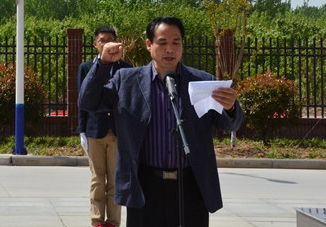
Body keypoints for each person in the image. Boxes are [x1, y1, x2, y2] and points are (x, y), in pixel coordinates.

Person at [78, 16, 244, 227]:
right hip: (145, 186)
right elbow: (88, 102)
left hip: (191, 187)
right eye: (162, 42)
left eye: (176, 42)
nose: (170, 49)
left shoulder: (202, 82)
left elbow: (229, 124)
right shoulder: (127, 81)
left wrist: (231, 107)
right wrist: (102, 64)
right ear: (149, 45)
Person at [78, 25, 132, 227]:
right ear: (96, 44)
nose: (107, 43)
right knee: (97, 179)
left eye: (110, 40)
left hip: (117, 132)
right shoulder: (86, 68)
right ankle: (97, 220)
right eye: (102, 40)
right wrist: (82, 130)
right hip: (95, 130)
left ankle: (113, 221)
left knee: (115, 180)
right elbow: (82, 102)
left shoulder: (125, 68)